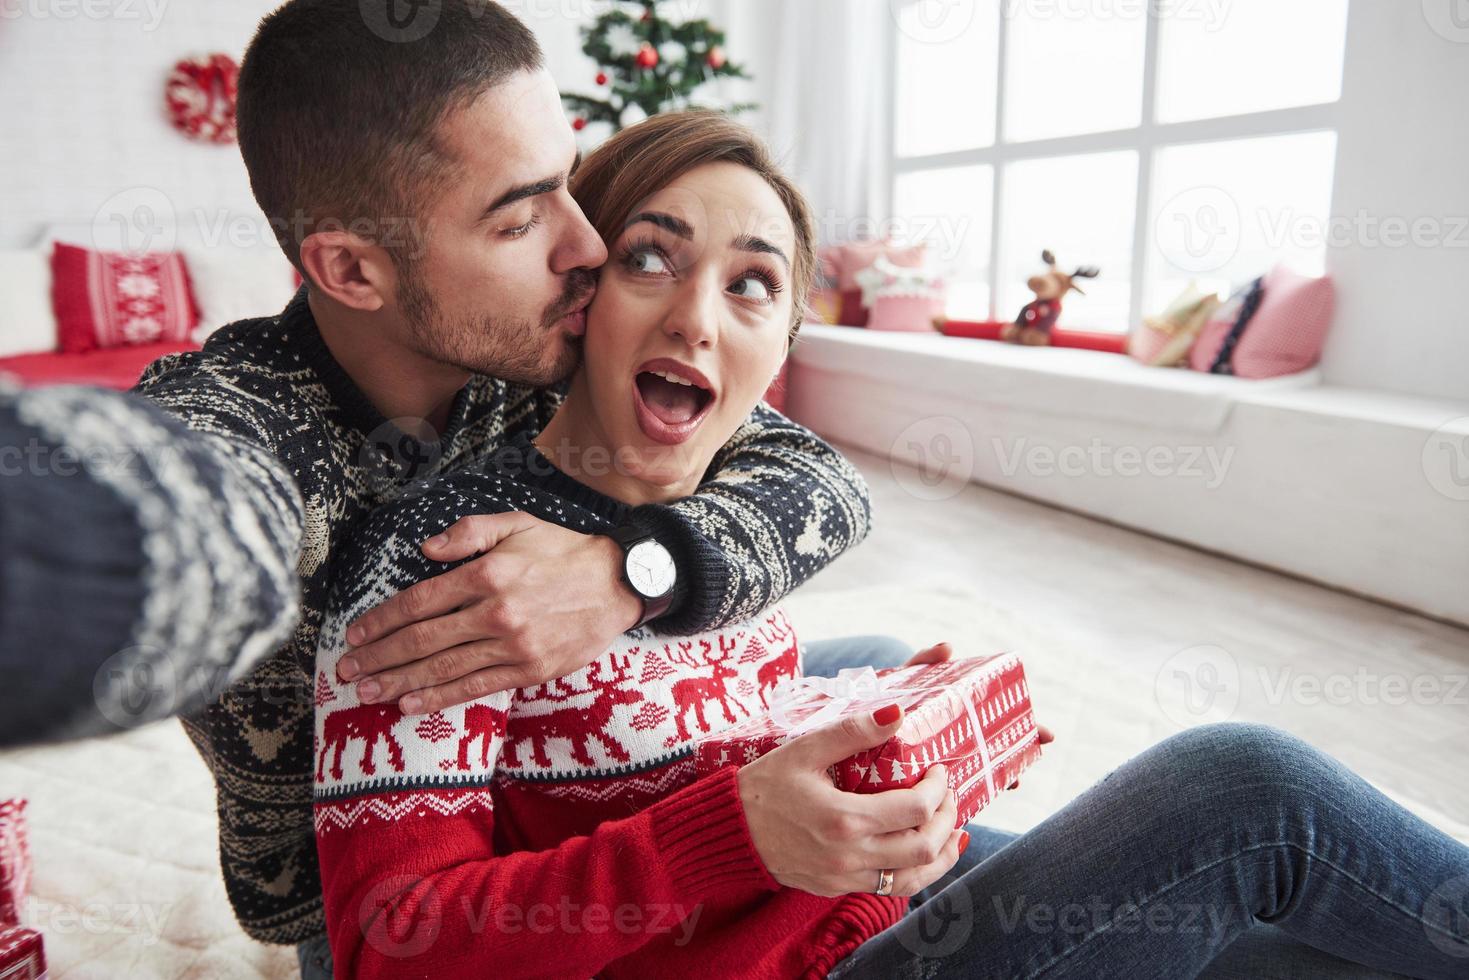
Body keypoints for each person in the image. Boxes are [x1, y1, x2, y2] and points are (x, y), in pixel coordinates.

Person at [309, 111, 1469, 980]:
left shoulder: (726, 501)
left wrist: (883, 768)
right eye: (648, 258)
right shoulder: (446, 559)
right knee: (1244, 793)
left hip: (855, 908)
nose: (695, 317)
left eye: (751, 284)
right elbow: (385, 945)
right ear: (578, 296)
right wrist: (720, 837)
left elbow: (807, 530)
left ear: (783, 344)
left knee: (1295, 938)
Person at [1, 0, 893, 958]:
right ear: (350, 267)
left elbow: (814, 475)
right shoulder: (252, 422)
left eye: (567, 186)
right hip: (377, 886)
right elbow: (184, 513)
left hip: (542, 757)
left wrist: (630, 572)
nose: (587, 245)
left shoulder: (541, 347)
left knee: (880, 670)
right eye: (520, 219)